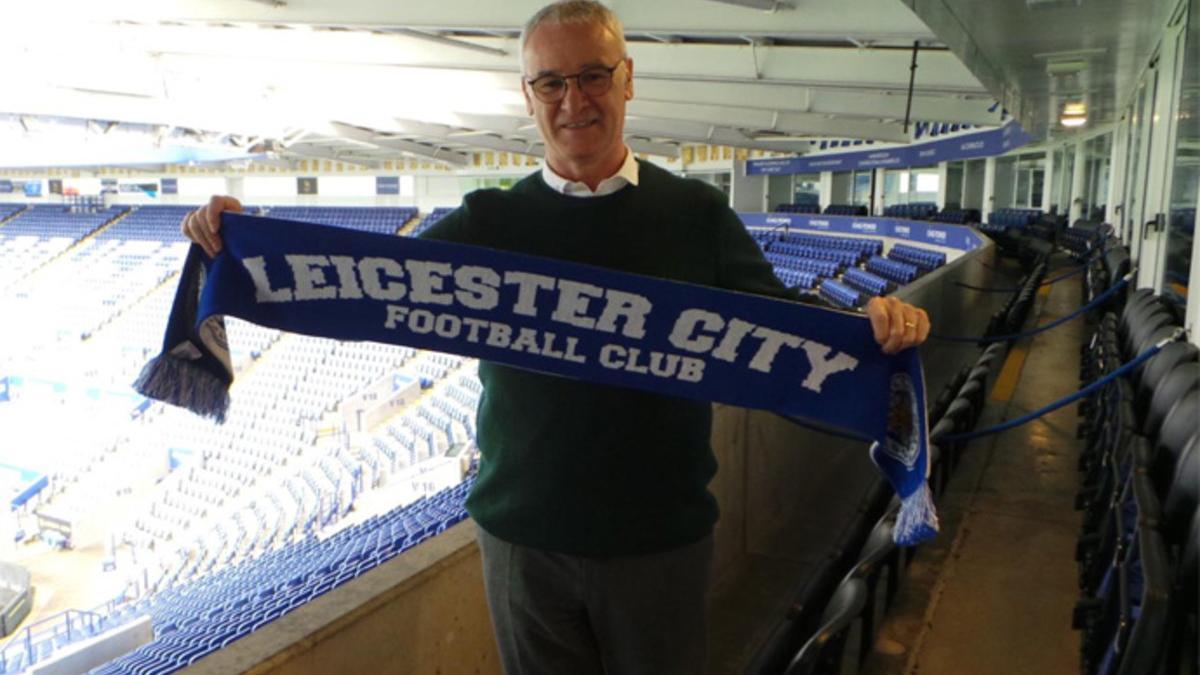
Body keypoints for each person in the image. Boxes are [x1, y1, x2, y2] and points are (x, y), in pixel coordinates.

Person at [181, 2, 931, 672]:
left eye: (593, 75)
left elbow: (780, 327)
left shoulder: (696, 213)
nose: (574, 100)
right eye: (551, 83)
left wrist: (876, 330)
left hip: (660, 539)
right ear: (529, 97)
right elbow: (366, 283)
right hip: (522, 539)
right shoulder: (488, 220)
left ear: (627, 78)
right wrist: (238, 242)